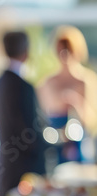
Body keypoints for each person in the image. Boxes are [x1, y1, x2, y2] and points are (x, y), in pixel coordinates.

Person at [0, 31, 46, 196]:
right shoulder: (23, 87)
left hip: (5, 168)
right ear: (26, 52)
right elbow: (30, 133)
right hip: (26, 175)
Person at [38, 26, 97, 164]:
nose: (64, 54)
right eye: (60, 49)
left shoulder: (86, 80)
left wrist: (76, 104)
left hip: (79, 145)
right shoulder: (47, 83)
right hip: (54, 144)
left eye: (68, 48)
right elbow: (40, 119)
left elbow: (92, 121)